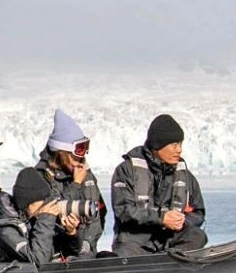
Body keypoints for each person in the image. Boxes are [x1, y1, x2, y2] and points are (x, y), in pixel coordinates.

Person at [111, 113, 207, 255]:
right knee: (124, 252)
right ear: (157, 145)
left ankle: (171, 261)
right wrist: (161, 218)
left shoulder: (185, 176)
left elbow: (197, 212)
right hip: (136, 242)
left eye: (180, 144)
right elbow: (124, 210)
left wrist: (182, 221)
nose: (179, 150)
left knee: (197, 236)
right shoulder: (126, 171)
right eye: (174, 145)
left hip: (171, 239)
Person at [35, 108, 107, 258]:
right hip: (58, 253)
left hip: (85, 251)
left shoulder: (87, 176)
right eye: (75, 157)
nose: (80, 162)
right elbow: (53, 213)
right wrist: (75, 184)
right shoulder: (42, 177)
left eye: (82, 156)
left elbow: (98, 213)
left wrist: (87, 245)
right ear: (61, 153)